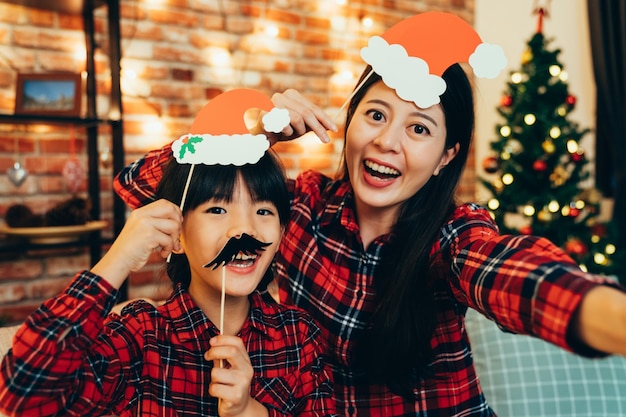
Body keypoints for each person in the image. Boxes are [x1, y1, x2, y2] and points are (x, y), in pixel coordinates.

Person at [112, 12, 626, 417]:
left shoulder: (453, 237)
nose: (386, 141)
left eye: (419, 129)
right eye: (376, 115)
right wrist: (249, 136)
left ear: (448, 155)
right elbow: (139, 184)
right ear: (350, 117)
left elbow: (517, 276)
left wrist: (610, 317)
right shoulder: (302, 208)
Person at [0, 90, 338, 417]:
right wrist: (118, 259)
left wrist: (249, 412)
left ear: (281, 233)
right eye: (217, 209)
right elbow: (22, 392)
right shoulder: (140, 335)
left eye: (263, 211)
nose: (244, 230)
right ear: (176, 234)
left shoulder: (298, 335)